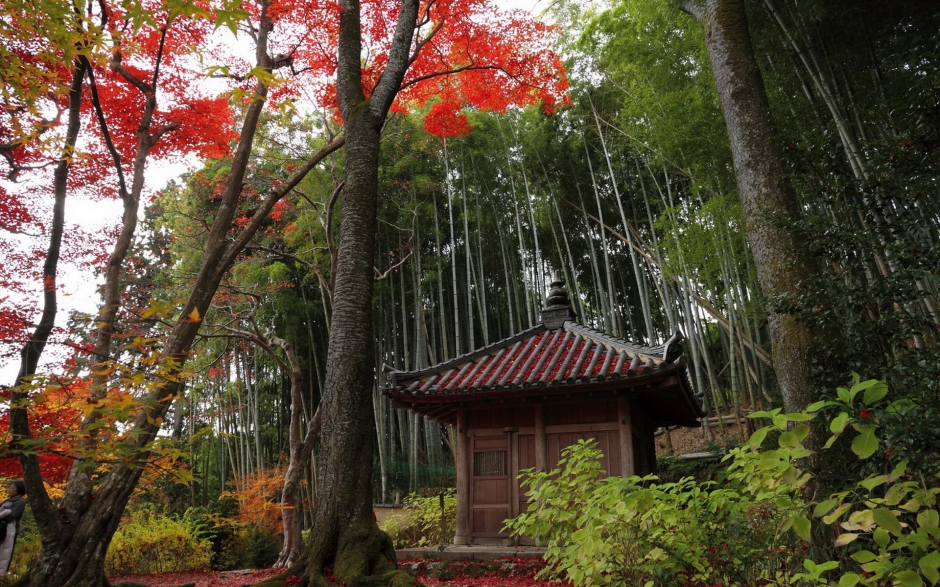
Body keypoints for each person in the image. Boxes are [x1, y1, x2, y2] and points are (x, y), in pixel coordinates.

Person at [0, 480, 26, 576]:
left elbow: (11, 515)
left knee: (4, 553)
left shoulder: (20, 502)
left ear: (18, 490)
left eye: (12, 488)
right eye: (9, 487)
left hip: (7, 530)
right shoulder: (7, 500)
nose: (9, 489)